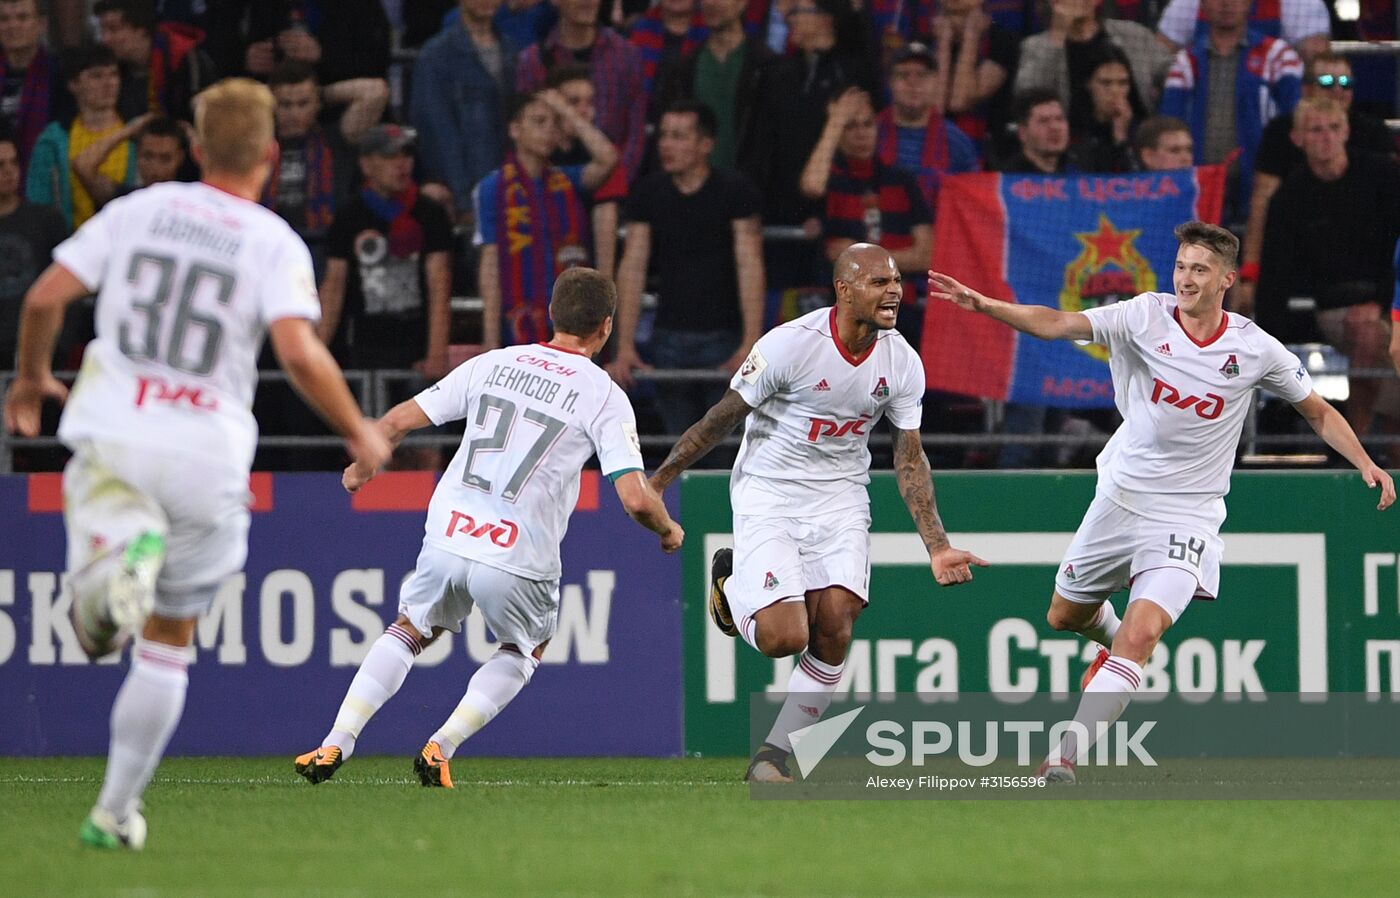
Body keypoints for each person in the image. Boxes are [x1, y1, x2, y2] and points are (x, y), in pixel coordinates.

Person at [1, 77, 391, 849]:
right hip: (206, 452)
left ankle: (112, 573)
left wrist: (32, 377)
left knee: (96, 630)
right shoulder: (273, 241)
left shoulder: (136, 211)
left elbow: (44, 297)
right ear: (269, 155)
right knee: (167, 643)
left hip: (116, 435)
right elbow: (297, 350)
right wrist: (358, 429)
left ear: (194, 148)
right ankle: (115, 812)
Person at [928, 221, 1395, 784]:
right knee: (1062, 615)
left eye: (1199, 269)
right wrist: (984, 305)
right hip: (1121, 498)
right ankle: (1106, 646)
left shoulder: (1254, 347)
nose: (1186, 279)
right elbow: (1056, 323)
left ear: (1226, 278)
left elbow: (1316, 410)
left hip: (1189, 515)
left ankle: (1064, 755)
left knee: (1143, 634)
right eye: (1180, 267)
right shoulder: (1142, 315)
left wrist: (1364, 461)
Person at [294, 267, 683, 787]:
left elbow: (396, 422)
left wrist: (365, 464)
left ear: (551, 313)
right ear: (607, 327)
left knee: (409, 629)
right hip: (517, 549)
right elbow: (635, 498)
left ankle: (335, 742)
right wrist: (666, 529)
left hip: (451, 530)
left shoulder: (494, 364)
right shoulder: (603, 394)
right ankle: (441, 746)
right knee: (523, 650)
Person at [649, 243, 987, 782]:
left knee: (836, 626)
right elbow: (721, 418)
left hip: (841, 497)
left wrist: (937, 544)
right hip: (770, 492)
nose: (895, 290)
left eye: (897, 280)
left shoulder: (901, 360)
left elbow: (909, 455)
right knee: (786, 637)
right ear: (844, 290)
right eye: (878, 281)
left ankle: (772, 757)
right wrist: (658, 481)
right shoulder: (789, 346)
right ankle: (732, 587)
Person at [608, 99, 764, 438]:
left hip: (725, 338)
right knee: (678, 444)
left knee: (725, 448)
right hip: (667, 338)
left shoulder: (735, 191)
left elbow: (749, 265)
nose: (666, 144)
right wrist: (625, 346)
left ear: (706, 144)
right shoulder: (649, 193)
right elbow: (632, 267)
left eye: (679, 136)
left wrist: (750, 343)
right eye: (664, 135)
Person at [1256, 98, 1400, 438]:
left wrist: (1380, 302)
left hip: (1389, 295)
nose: (1326, 138)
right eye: (1316, 130)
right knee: (1369, 334)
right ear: (1298, 138)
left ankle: (1384, 448)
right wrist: (1263, 338)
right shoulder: (1289, 198)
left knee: (1376, 332)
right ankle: (1354, 445)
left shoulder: (1385, 176)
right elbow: (1275, 277)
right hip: (1333, 308)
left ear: (1347, 131)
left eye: (1334, 128)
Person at [1236, 53, 1394, 316]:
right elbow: (1262, 204)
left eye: (1345, 82)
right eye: (1326, 81)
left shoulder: (1375, 134)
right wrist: (1251, 274)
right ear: (1305, 88)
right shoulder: (1280, 135)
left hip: (1371, 253)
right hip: (1303, 245)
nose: (1336, 90)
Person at [472, 89, 617, 348]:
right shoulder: (493, 187)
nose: (549, 130)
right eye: (539, 122)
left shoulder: (567, 180)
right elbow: (491, 263)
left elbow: (608, 158)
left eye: (554, 123)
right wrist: (490, 340)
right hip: (519, 317)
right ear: (515, 130)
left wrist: (565, 109)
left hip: (573, 317)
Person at [800, 88, 932, 346]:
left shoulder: (902, 180)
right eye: (850, 126)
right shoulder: (832, 179)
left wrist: (859, 256)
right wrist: (835, 120)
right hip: (841, 311)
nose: (861, 133)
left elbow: (927, 255)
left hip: (897, 311)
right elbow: (811, 186)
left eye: (867, 124)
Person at [1158, 0, 1302, 219]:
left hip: (1262, 183)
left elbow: (1293, 122)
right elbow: (1168, 124)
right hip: (1199, 187)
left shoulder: (1279, 56)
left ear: (1250, 4)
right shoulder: (1185, 61)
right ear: (1202, 6)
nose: (1226, 3)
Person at [410, 0, 517, 224]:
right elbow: (438, 136)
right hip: (469, 195)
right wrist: (463, 200)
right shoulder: (436, 56)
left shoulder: (512, 50)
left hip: (512, 189)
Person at [514, 0, 647, 181]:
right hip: (555, 191)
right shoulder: (532, 61)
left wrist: (615, 184)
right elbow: (526, 137)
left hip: (616, 191)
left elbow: (635, 132)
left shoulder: (626, 55)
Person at [25, 45, 136, 230]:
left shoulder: (136, 134)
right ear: (73, 84)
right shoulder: (53, 140)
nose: (109, 83)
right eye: (97, 76)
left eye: (114, 74)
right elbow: (38, 206)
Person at [0, 133, 67, 368]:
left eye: (14, 162)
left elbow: (66, 284)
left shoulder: (47, 220)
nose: (9, 171)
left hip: (37, 352)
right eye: (1, 165)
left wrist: (60, 344)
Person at [93, 0, 216, 122]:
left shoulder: (188, 62)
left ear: (141, 30)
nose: (105, 39)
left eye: (114, 29)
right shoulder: (104, 69)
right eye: (102, 31)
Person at [0, 0, 64, 173]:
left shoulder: (60, 75)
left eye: (22, 17)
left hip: (44, 177)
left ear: (41, 24)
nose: (12, 26)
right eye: (4, 19)